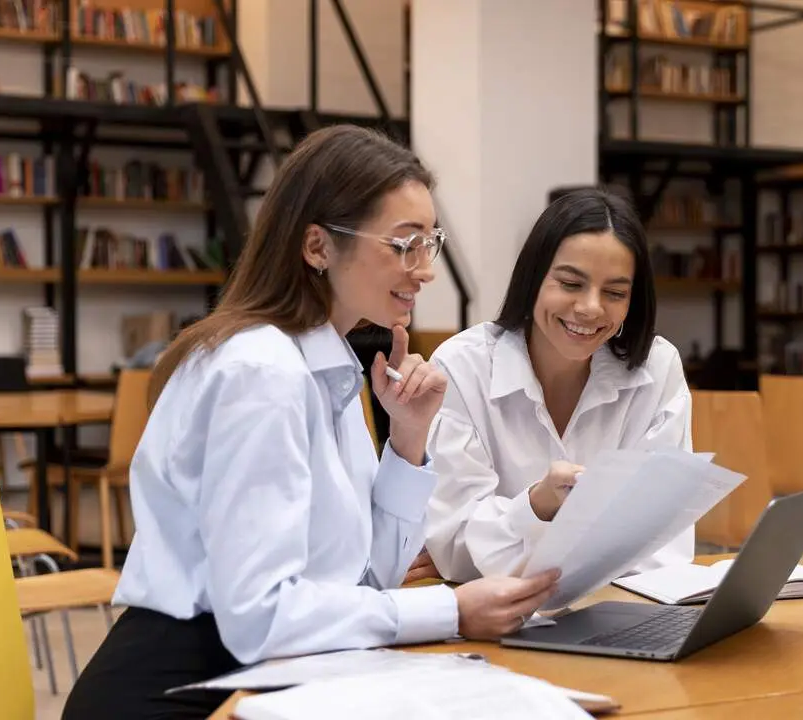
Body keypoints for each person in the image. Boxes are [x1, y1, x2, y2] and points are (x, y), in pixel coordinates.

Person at [61, 126, 559, 720]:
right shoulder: (261, 371)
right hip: (180, 693)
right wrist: (453, 611)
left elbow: (369, 578)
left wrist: (406, 440)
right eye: (404, 244)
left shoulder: (327, 363)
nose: (424, 270)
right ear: (318, 247)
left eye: (431, 243)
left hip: (269, 676)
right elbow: (260, 618)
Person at [417, 187, 695, 584]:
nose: (590, 308)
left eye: (615, 293)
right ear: (533, 279)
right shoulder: (461, 368)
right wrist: (536, 505)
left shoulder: (657, 367)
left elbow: (662, 547)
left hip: (620, 612)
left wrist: (500, 542)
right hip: (499, 621)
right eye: (570, 284)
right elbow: (456, 547)